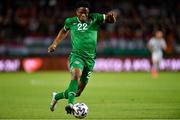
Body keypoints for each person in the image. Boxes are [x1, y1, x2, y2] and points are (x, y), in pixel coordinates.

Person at [48, 0, 117, 114]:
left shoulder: (95, 18)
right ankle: (70, 104)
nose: (84, 14)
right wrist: (54, 43)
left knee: (78, 91)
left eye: (86, 12)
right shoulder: (70, 21)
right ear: (76, 12)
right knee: (76, 74)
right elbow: (63, 31)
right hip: (77, 56)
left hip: (90, 60)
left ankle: (56, 97)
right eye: (81, 12)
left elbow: (110, 20)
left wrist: (112, 17)